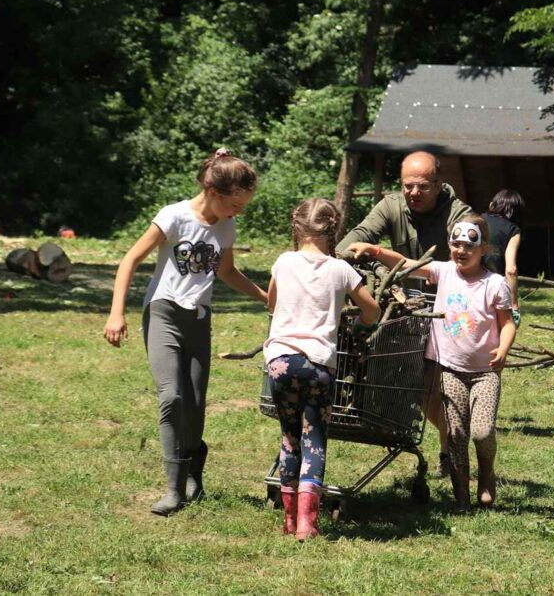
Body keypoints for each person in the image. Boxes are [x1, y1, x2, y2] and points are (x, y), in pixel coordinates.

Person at [104, 148, 268, 515]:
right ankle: (173, 488)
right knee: (171, 396)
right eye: (236, 204)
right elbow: (130, 260)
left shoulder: (226, 225)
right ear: (213, 190)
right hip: (163, 312)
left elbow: (226, 271)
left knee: (194, 405)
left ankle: (194, 475)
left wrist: (263, 296)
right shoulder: (174, 217)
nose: (239, 212)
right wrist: (116, 314)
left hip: (198, 320)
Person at [347, 213, 516, 512]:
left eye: (469, 245)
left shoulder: (495, 284)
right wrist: (374, 250)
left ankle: (486, 472)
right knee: (456, 433)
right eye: (456, 244)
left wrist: (503, 348)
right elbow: (406, 264)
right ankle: (461, 497)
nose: (462, 251)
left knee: (482, 431)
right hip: (449, 368)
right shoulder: (444, 272)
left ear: (484, 249)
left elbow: (508, 323)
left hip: (485, 372)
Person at [336, 150, 473, 476]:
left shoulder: (458, 214)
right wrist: (337, 258)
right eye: (407, 185)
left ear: (438, 184)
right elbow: (355, 239)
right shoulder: (392, 206)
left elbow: (471, 256)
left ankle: (450, 451)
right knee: (402, 384)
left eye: (422, 186)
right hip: (404, 310)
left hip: (446, 312)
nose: (413, 193)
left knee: (432, 390)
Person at [264, 198, 380, 540]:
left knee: (289, 437)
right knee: (313, 437)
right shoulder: (341, 270)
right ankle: (307, 523)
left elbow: (271, 302)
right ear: (334, 229)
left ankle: (289, 520)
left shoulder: (283, 262)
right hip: (318, 364)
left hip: (281, 361)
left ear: (296, 227)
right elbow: (372, 311)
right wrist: (356, 325)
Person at [483, 189, 524, 327]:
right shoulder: (513, 230)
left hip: (467, 281)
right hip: (493, 288)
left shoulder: (476, 220)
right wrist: (514, 305)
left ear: (492, 205)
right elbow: (511, 270)